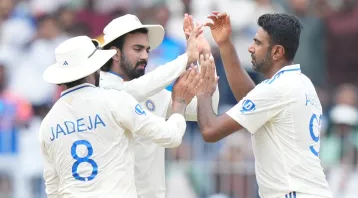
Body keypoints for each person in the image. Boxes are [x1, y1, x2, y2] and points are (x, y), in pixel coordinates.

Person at [39, 34, 203, 197]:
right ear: (95, 67)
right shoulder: (115, 101)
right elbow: (171, 136)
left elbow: (53, 189)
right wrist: (180, 102)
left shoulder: (47, 123)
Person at [195, 12, 333, 198]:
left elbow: (210, 131)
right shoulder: (300, 81)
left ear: (277, 51)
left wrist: (203, 89)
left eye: (258, 43)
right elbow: (250, 99)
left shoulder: (277, 89)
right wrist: (225, 44)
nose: (251, 48)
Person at [98, 14, 219, 198]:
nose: (145, 56)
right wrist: (186, 58)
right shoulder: (100, 91)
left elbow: (208, 110)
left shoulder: (153, 92)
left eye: (147, 50)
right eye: (138, 49)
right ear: (115, 53)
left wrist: (205, 54)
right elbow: (130, 92)